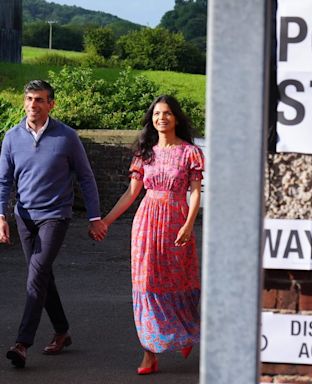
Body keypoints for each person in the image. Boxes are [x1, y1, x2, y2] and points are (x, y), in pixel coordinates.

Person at [0, 80, 107, 368]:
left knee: (36, 274)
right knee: (43, 275)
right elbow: (4, 181)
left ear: (51, 104)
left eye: (39, 100)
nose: (33, 105)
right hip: (24, 217)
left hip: (55, 215)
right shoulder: (11, 137)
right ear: (24, 102)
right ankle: (62, 331)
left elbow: (85, 176)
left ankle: (22, 343)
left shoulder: (67, 137)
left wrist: (95, 217)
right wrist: (1, 216)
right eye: (29, 99)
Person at [94, 95, 203, 375]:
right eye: (156, 114)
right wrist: (105, 221)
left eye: (167, 113)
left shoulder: (190, 152)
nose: (161, 118)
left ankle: (184, 332)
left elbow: (195, 193)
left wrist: (189, 224)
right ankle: (150, 352)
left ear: (176, 117)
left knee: (179, 280)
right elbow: (131, 193)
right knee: (147, 284)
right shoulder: (145, 153)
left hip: (177, 220)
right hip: (147, 222)